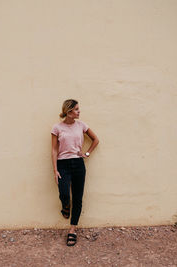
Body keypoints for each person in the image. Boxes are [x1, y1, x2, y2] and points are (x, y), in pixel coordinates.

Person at [50, 99, 99, 246]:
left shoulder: (82, 125)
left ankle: (72, 229)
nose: (79, 111)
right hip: (63, 164)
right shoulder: (57, 128)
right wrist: (55, 169)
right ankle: (66, 206)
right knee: (64, 193)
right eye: (76, 109)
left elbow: (95, 140)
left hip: (78, 163)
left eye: (79, 109)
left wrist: (87, 154)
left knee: (78, 198)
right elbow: (53, 149)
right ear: (69, 111)